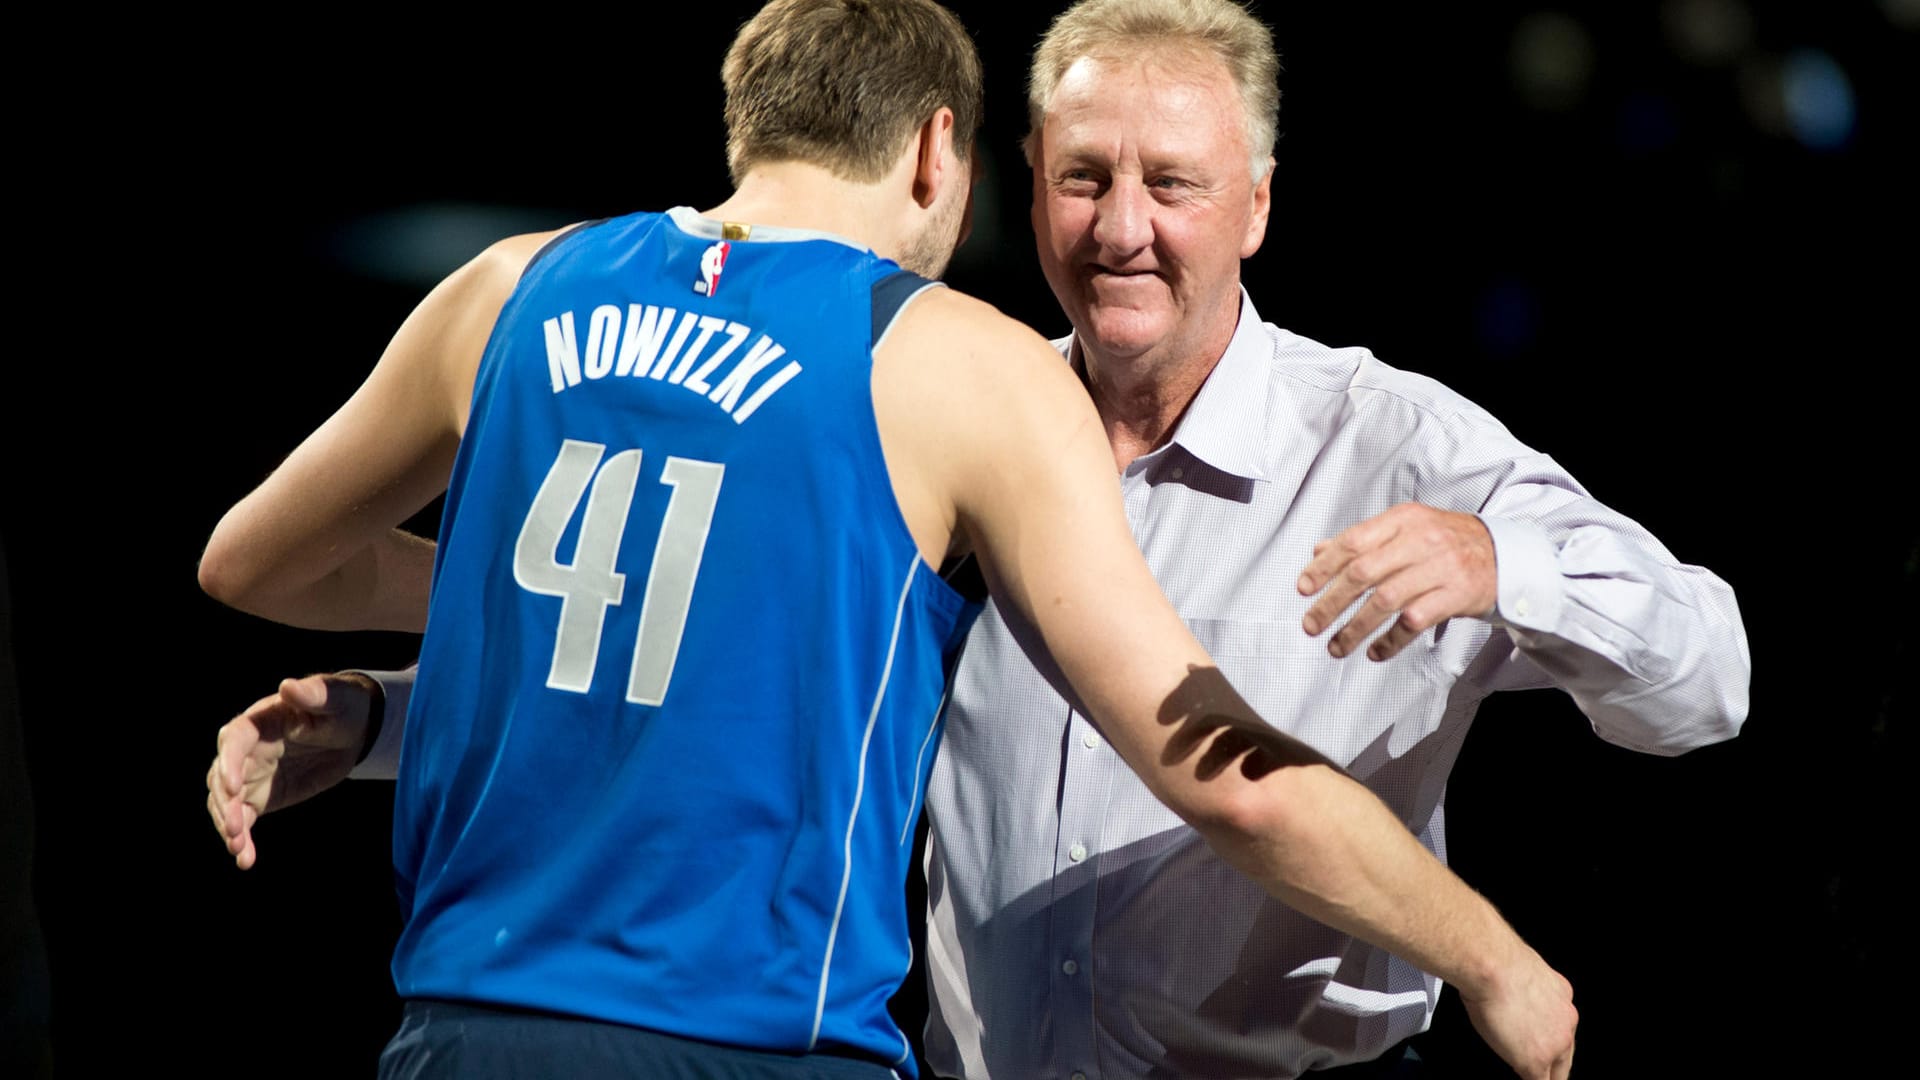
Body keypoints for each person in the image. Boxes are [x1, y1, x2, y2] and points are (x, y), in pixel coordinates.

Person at [198, 1, 1579, 1078]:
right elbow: (1226, 776)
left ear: (749, 124)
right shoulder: (947, 360)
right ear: (939, 152)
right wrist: (1490, 954)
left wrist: (420, 694)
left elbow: (252, 564)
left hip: (453, 1034)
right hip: (745, 1048)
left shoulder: (512, 286)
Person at [916, 1, 1749, 1077]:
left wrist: (1506, 565)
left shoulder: (1393, 449)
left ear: (1256, 204)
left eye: (1171, 183)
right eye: (1084, 179)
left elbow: (1709, 683)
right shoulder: (955, 428)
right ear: (1029, 184)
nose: (1122, 228)